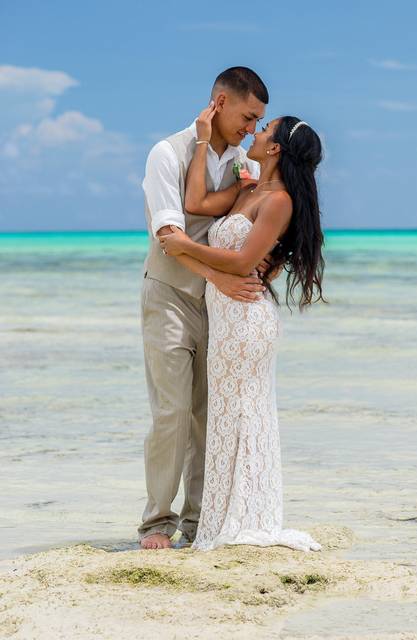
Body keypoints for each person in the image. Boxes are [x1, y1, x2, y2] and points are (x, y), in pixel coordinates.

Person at [159, 105, 326, 552]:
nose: (253, 132)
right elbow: (194, 203)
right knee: (227, 417)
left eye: (263, 129)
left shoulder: (279, 201)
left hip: (248, 322)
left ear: (274, 148)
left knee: (245, 414)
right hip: (226, 316)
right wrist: (199, 140)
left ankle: (247, 517)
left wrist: (185, 247)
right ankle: (223, 519)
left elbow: (241, 262)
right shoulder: (248, 188)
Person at [139, 66, 271, 551]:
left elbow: (256, 228)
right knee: (172, 412)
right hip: (170, 295)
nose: (252, 128)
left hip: (220, 306)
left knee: (207, 414)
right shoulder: (166, 153)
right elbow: (171, 237)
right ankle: (156, 522)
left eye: (259, 121)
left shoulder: (244, 163)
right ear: (219, 101)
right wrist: (220, 275)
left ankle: (199, 522)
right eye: (248, 116)